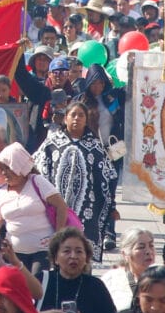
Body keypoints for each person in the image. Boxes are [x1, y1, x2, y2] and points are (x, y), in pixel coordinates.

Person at [35, 226, 117, 313]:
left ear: (86, 258)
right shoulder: (42, 280)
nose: (73, 256)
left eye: (79, 251)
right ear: (55, 257)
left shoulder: (95, 286)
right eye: (66, 251)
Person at [50, 100, 118, 260]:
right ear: (65, 118)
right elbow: (38, 171)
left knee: (82, 255)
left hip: (88, 209)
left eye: (81, 115)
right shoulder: (51, 145)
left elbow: (110, 177)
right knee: (58, 253)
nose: (77, 119)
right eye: (73, 115)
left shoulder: (95, 147)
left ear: (86, 120)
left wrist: (111, 206)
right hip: (56, 210)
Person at [0, 142, 69, 272]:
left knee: (38, 286)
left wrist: (58, 238)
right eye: (2, 169)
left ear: (19, 166)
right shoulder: (1, 192)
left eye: (8, 168)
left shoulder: (37, 182)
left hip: (42, 251)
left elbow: (61, 206)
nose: (4, 173)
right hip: (13, 254)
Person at [101, 227, 156, 311]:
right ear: (125, 254)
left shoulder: (164, 276)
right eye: (141, 247)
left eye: (151, 245)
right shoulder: (111, 279)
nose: (148, 251)